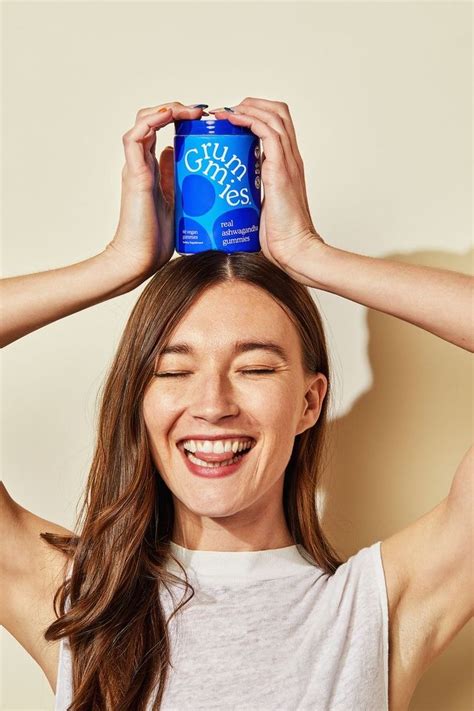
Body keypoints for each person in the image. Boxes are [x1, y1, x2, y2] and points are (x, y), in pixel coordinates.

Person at [0, 97, 472, 711]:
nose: (213, 404)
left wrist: (309, 255)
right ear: (139, 402)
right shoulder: (75, 599)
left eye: (253, 367)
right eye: (173, 370)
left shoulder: (381, 608)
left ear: (308, 402)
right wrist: (115, 267)